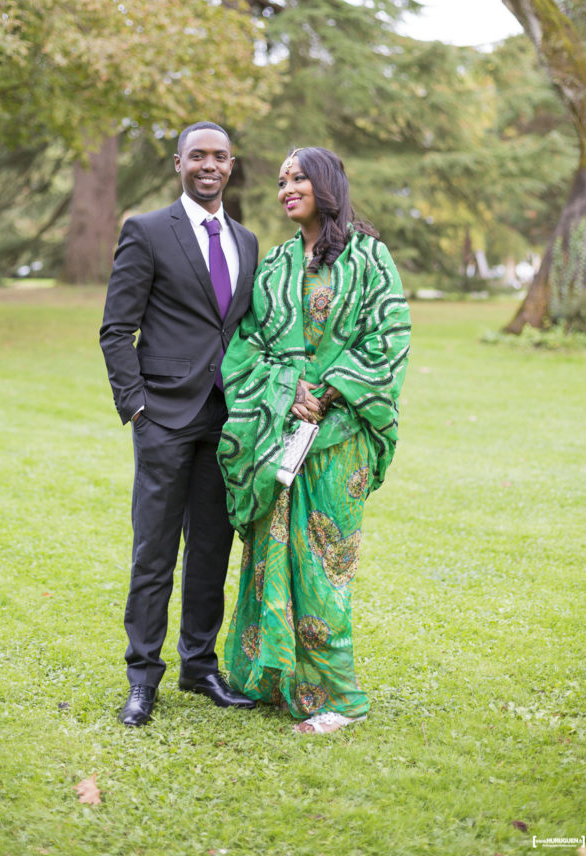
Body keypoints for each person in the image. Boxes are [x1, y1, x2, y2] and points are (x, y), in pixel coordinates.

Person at [218, 146, 411, 734]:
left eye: (298, 177)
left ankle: (342, 699)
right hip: (282, 431)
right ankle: (280, 678)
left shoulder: (368, 258)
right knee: (271, 556)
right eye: (281, 181)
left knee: (326, 563)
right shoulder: (274, 264)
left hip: (340, 436)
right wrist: (288, 385)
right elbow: (246, 344)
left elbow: (390, 339)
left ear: (325, 184)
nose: (286, 188)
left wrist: (327, 389)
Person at [100, 121, 258, 727]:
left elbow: (241, 330)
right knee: (154, 553)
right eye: (198, 156)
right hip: (163, 416)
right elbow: (117, 328)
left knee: (212, 550)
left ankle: (199, 667)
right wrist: (136, 406)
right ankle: (143, 678)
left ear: (231, 163)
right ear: (179, 164)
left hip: (226, 420)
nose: (209, 165)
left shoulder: (246, 242)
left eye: (219, 156)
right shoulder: (146, 231)